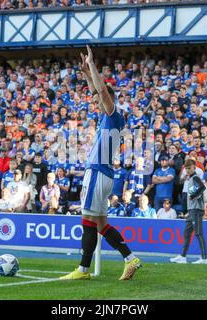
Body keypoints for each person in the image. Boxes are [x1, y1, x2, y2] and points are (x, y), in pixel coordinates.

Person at [61, 46, 141, 281]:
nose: (95, 101)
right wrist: (87, 73)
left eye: (98, 99)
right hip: (103, 175)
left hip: (97, 174)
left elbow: (102, 90)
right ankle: (130, 258)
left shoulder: (114, 114)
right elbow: (98, 90)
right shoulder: (108, 118)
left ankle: (83, 270)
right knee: (101, 224)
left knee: (87, 220)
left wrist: (93, 66)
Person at [170, 159, 207, 264]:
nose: (187, 170)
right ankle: (183, 256)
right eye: (186, 168)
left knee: (198, 234)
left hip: (196, 210)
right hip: (192, 210)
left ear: (194, 168)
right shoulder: (191, 179)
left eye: (189, 168)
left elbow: (202, 187)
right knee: (186, 233)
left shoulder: (195, 177)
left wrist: (193, 195)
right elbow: (194, 192)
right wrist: (192, 196)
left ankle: (204, 259)